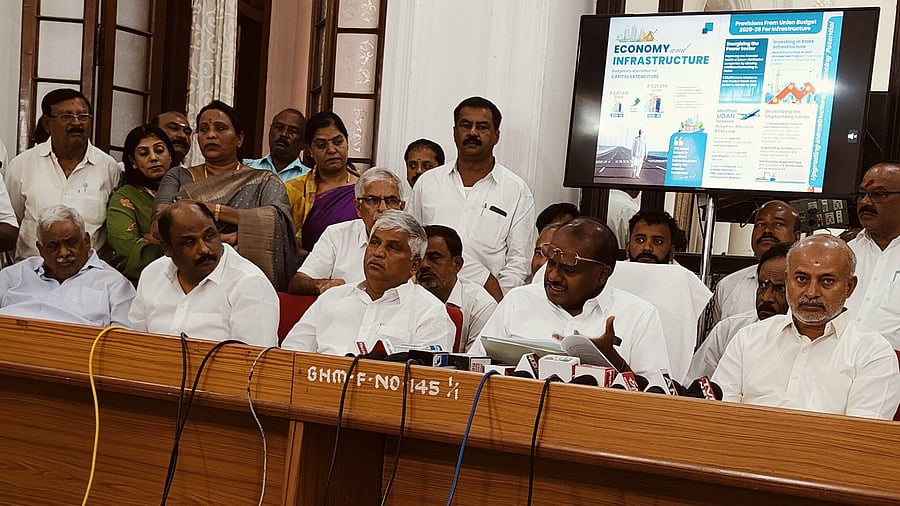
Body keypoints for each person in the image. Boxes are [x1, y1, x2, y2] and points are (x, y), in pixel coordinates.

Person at [713, 235, 900, 419]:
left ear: (849, 287)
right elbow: (719, 418)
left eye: (826, 281)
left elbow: (860, 434)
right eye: (802, 279)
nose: (811, 293)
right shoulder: (748, 339)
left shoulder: (873, 353)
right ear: (787, 281)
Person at [476, 217, 670, 379]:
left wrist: (613, 360)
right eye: (551, 264)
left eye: (568, 270)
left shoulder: (639, 316)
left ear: (602, 275)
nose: (553, 276)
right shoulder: (518, 300)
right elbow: (474, 366)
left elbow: (656, 398)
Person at [154, 100, 299, 291]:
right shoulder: (178, 176)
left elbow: (278, 223)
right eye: (203, 130)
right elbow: (158, 226)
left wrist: (215, 211)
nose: (211, 135)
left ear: (239, 139)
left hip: (244, 280)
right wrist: (222, 238)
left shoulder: (264, 180)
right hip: (188, 277)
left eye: (220, 128)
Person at [410, 96, 535, 301]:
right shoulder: (428, 182)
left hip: (486, 301)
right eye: (466, 125)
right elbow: (412, 242)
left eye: (482, 127)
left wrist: (498, 304)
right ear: (454, 132)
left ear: (496, 136)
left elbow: (519, 261)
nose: (473, 133)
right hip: (427, 297)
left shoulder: (516, 190)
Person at [282, 210, 455, 355]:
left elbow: (425, 378)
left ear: (414, 265)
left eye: (392, 247)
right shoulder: (332, 298)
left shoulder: (430, 312)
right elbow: (289, 357)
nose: (378, 252)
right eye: (374, 243)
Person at [129, 200, 278, 346]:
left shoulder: (249, 283)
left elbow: (254, 359)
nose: (204, 249)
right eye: (190, 242)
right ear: (167, 248)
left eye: (209, 236)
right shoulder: (152, 275)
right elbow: (135, 344)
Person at [6, 88, 121, 260]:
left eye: (83, 116)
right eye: (66, 116)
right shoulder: (22, 165)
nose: (76, 123)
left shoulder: (109, 168)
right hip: (33, 271)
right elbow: (10, 224)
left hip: (89, 273)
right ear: (47, 124)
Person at [0, 205, 134, 326]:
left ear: (87, 241)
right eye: (53, 246)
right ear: (40, 249)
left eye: (71, 243)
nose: (63, 253)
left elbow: (124, 339)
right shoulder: (12, 277)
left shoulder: (114, 285)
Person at [288, 167, 405, 295]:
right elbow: (298, 282)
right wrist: (321, 285)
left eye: (391, 201)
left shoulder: (411, 240)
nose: (382, 208)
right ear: (358, 207)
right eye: (372, 200)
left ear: (401, 208)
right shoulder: (337, 235)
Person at [685, 243, 790, 382]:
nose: (766, 298)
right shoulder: (728, 330)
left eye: (780, 288)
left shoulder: (813, 339)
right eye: (762, 285)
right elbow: (694, 383)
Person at [710, 200, 800, 325]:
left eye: (778, 224)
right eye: (760, 224)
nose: (767, 230)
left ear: (797, 237)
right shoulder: (728, 285)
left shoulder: (808, 288)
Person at [284, 111, 361, 253]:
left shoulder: (366, 188)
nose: (331, 150)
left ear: (347, 142)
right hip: (310, 264)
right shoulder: (293, 190)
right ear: (310, 150)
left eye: (338, 142)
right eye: (321, 145)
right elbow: (284, 242)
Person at [106, 124, 173, 282]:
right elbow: (126, 251)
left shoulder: (188, 188)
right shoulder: (124, 197)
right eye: (144, 153)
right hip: (147, 283)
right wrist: (180, 247)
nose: (153, 158)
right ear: (133, 161)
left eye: (159, 150)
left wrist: (152, 239)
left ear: (170, 154)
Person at [845, 162, 900, 349]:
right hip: (834, 359)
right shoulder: (843, 254)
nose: (865, 202)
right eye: (862, 194)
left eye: (879, 194)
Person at [419, 225, 498, 352]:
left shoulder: (482, 306)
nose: (424, 264)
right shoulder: (405, 297)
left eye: (434, 258)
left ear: (457, 264)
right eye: (420, 258)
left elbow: (476, 360)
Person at [244, 108, 311, 182]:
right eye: (279, 128)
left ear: (304, 143)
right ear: (270, 132)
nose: (284, 134)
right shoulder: (247, 168)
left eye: (292, 131)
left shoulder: (309, 179)